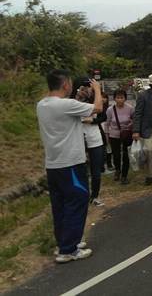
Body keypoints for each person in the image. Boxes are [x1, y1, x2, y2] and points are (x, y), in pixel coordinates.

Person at [37, 70, 102, 263]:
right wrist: (97, 89)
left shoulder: (42, 104)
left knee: (60, 205)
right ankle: (68, 250)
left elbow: (72, 114)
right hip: (70, 163)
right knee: (78, 199)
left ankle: (65, 242)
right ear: (65, 84)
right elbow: (97, 107)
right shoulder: (66, 105)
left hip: (53, 164)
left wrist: (80, 98)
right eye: (70, 83)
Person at [73, 80, 106, 207]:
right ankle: (83, 196)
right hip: (78, 139)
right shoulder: (72, 103)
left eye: (87, 88)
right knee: (81, 170)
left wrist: (92, 121)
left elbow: (103, 116)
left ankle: (95, 196)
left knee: (96, 171)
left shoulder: (96, 101)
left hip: (95, 139)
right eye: (82, 89)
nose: (85, 91)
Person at [106, 89, 134, 184]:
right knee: (116, 154)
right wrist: (107, 135)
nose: (120, 99)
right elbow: (107, 123)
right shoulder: (110, 110)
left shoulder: (130, 108)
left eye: (122, 97)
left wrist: (130, 126)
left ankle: (124, 175)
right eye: (118, 97)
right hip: (114, 135)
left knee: (126, 155)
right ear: (114, 98)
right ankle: (117, 170)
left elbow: (134, 120)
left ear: (125, 98)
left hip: (126, 134)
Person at [99, 92, 114, 173]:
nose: (103, 99)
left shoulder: (109, 108)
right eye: (101, 97)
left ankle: (109, 164)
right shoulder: (97, 107)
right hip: (99, 128)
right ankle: (102, 166)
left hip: (108, 128)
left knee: (108, 146)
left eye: (105, 97)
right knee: (101, 147)